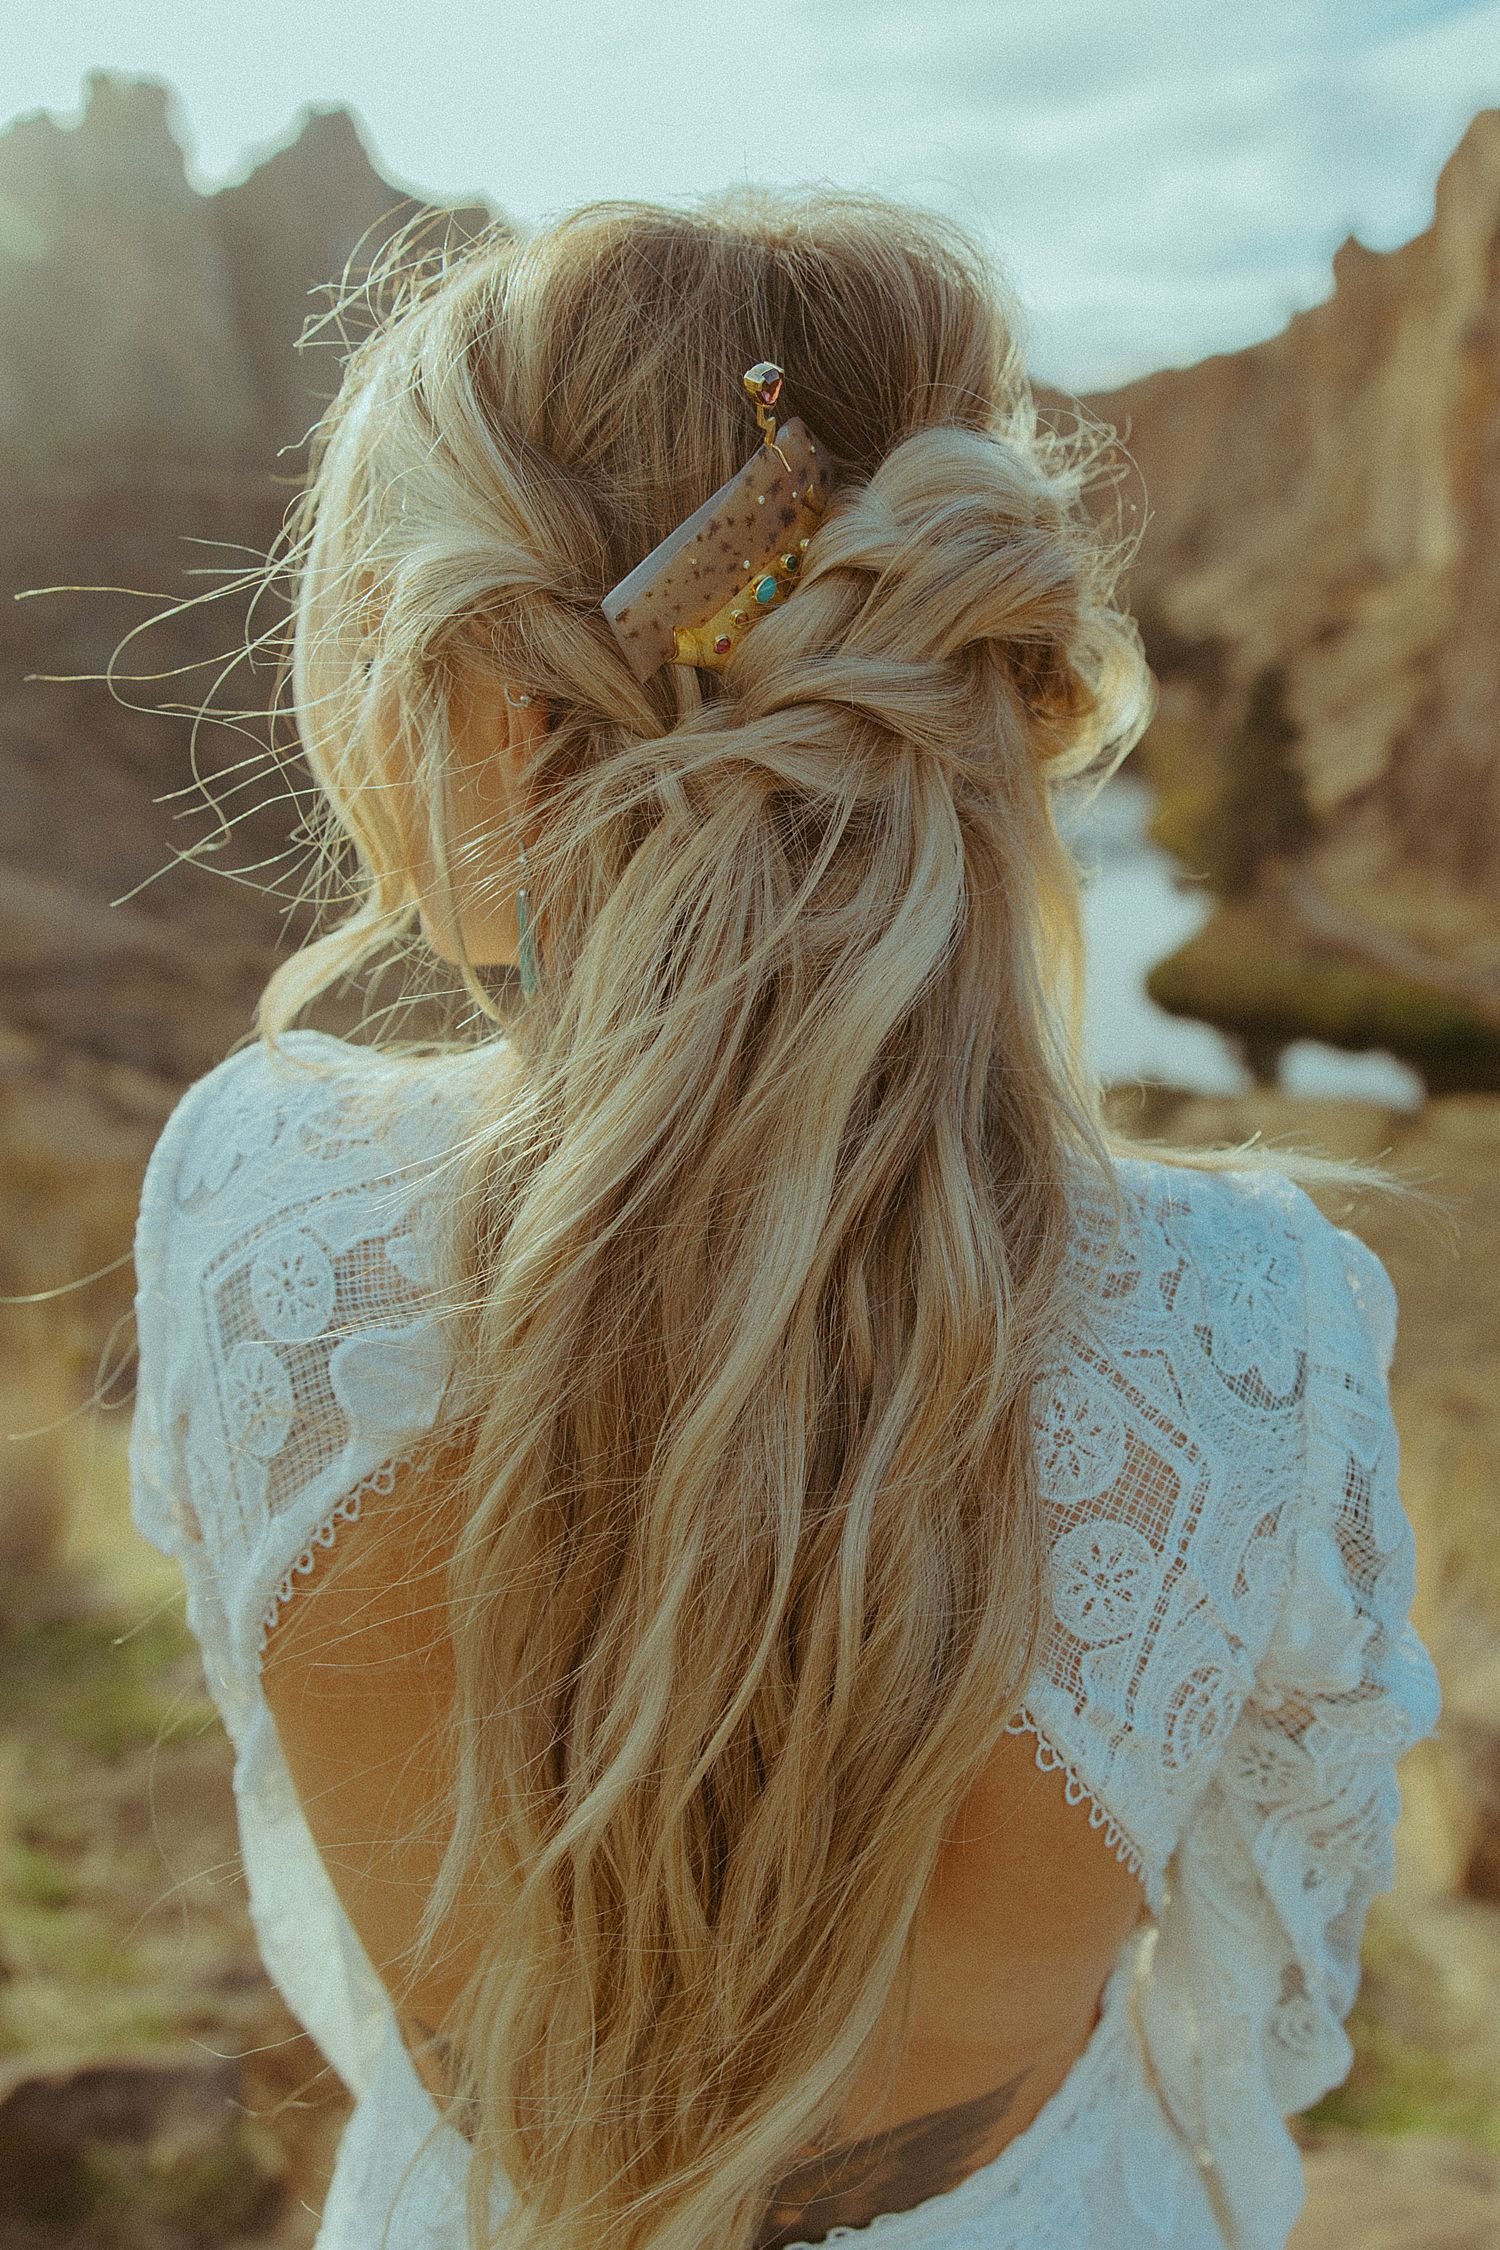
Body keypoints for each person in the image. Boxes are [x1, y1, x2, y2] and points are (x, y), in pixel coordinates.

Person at [128, 188, 1442, 2250]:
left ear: (489, 709)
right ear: (988, 695)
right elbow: (1259, 2022)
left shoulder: (254, 1208)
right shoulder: (1248, 1336)